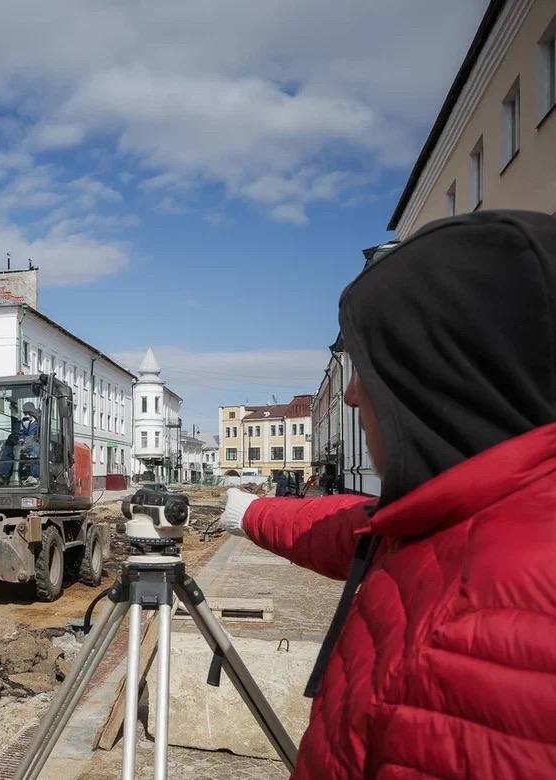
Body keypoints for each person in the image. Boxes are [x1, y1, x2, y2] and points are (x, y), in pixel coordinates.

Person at [219, 211, 556, 778]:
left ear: (434, 376)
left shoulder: (470, 639)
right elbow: (344, 528)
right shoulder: (468, 517)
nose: (352, 395)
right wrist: (249, 511)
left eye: (370, 369)